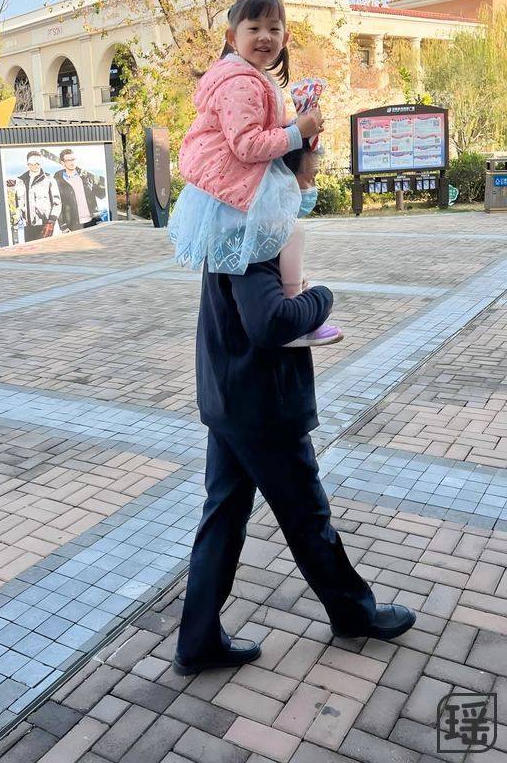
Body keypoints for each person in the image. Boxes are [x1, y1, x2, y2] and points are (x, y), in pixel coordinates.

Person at [173, 152, 416, 677]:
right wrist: (322, 297)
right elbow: (270, 322)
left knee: (223, 519)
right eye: (311, 166)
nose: (314, 178)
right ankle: (353, 614)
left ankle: (197, 640)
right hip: (263, 409)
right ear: (282, 171)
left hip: (232, 398)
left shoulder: (232, 221)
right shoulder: (255, 231)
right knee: (307, 517)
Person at [169, 0, 341, 346]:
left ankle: (297, 306)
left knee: (289, 237)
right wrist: (296, 133)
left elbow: (258, 135)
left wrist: (297, 129)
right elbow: (247, 145)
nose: (265, 36)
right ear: (233, 37)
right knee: (285, 241)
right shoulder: (241, 82)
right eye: (254, 28)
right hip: (236, 198)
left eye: (273, 28)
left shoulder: (252, 78)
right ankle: (300, 310)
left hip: (234, 193)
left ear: (285, 37)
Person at [54, 148, 106, 231]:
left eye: (73, 159)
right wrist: (63, 225)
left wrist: (101, 182)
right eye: (68, 160)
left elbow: (101, 195)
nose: (72, 162)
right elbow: (58, 204)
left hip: (93, 220)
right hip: (73, 224)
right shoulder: (58, 180)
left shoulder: (86, 177)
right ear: (62, 162)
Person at [15, 150, 62, 242]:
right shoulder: (20, 181)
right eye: (32, 163)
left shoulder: (49, 180)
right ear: (28, 164)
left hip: (46, 225)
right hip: (28, 227)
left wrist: (51, 222)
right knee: (32, 250)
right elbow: (18, 202)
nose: (35, 166)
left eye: (37, 163)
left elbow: (57, 203)